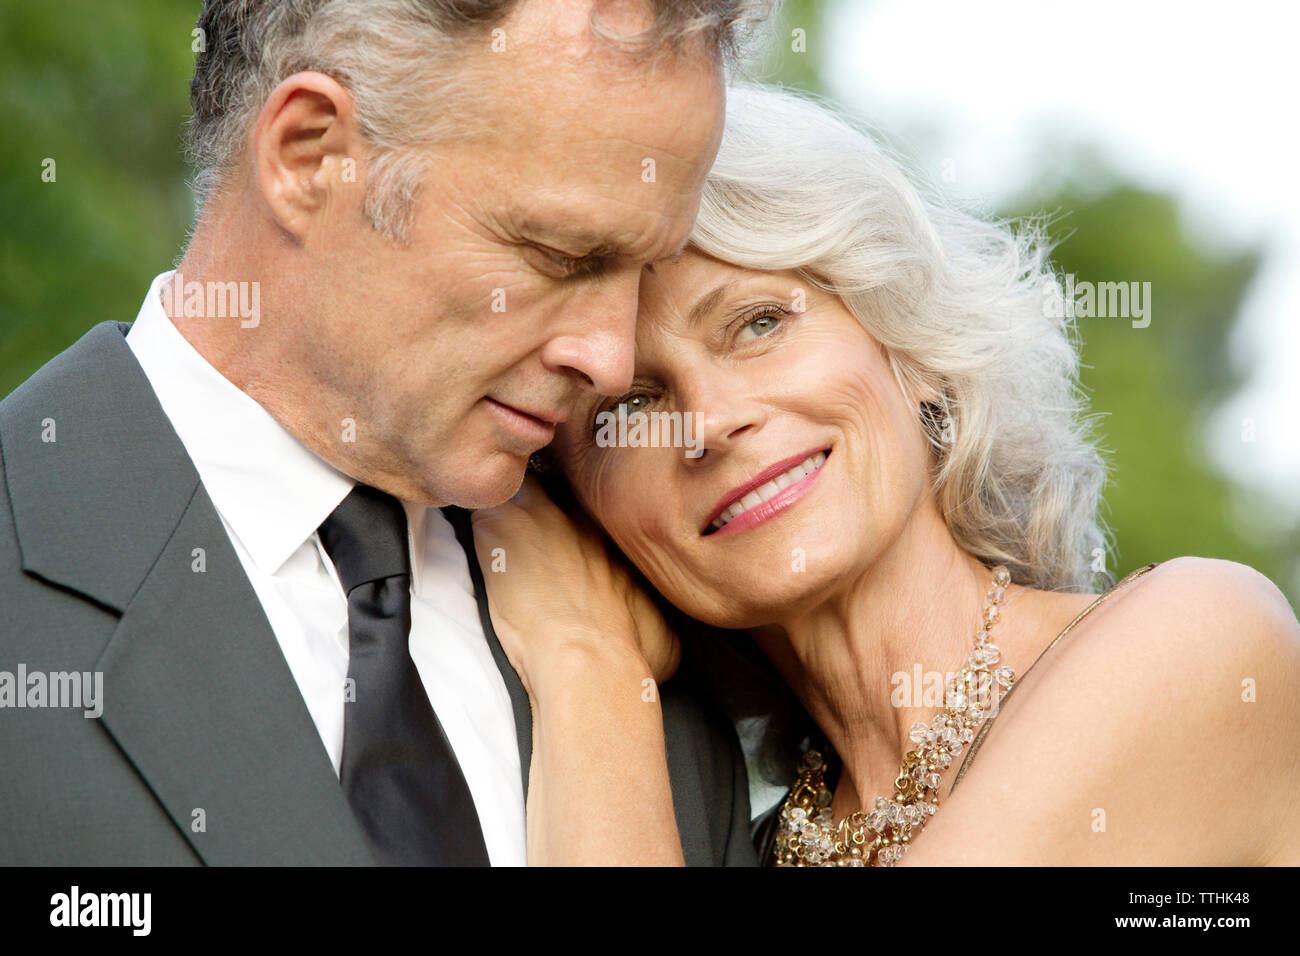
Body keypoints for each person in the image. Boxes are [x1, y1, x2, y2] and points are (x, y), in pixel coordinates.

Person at [0, 0, 775, 866]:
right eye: (562, 256)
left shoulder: (649, 622)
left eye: (647, 271)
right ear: (310, 158)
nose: (611, 356)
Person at [472, 83, 1300, 865]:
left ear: (916, 353)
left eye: (758, 323)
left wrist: (588, 665)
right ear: (590, 520)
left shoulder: (1200, 641)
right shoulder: (739, 844)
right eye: (632, 407)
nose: (712, 420)